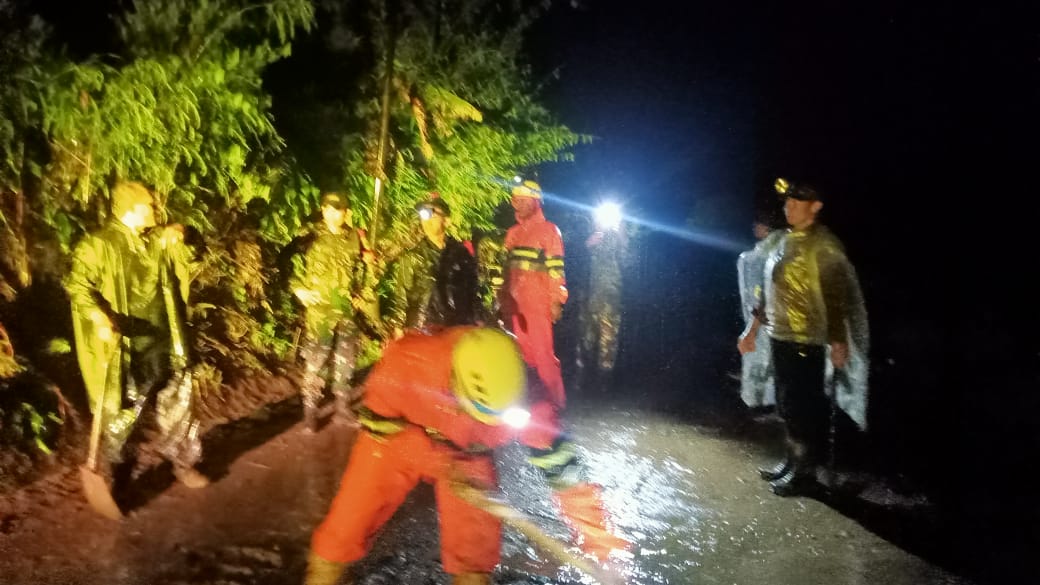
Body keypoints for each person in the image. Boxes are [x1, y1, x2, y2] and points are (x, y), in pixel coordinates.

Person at [302, 326, 629, 585]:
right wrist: (441, 464)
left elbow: (567, 476)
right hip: (396, 441)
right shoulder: (408, 362)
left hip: (471, 453)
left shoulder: (531, 399)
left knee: (475, 559)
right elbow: (377, 424)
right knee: (342, 535)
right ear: (455, 384)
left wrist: (604, 548)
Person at [64, 180, 207, 491]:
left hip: (168, 340)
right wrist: (98, 317)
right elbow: (78, 286)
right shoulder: (98, 245)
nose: (156, 210)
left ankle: (184, 464)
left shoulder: (159, 240)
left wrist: (183, 231)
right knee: (122, 419)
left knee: (179, 405)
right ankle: (120, 479)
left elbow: (195, 254)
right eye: (150, 206)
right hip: (128, 350)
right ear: (131, 209)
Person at [737, 178, 869, 497]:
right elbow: (766, 290)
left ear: (816, 207)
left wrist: (838, 341)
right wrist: (752, 330)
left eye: (797, 203)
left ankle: (805, 473)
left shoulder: (824, 245)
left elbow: (836, 299)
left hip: (806, 340)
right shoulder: (783, 241)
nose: (789, 207)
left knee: (802, 408)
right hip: (780, 335)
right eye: (787, 202)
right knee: (786, 405)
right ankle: (791, 462)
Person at [288, 192, 366, 431]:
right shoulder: (309, 236)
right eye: (329, 209)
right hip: (320, 312)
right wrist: (299, 289)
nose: (333, 214)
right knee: (316, 362)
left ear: (346, 212)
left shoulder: (354, 238)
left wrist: (361, 293)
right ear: (322, 210)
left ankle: (342, 408)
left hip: (345, 311)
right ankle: (310, 414)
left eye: (338, 209)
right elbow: (288, 264)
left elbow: (363, 268)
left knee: (346, 361)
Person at [500, 180, 569, 408]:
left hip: (538, 303)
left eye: (522, 200)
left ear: (536, 201)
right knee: (521, 354)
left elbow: (556, 270)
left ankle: (554, 403)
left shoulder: (550, 231)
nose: (517, 205)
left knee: (543, 355)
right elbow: (505, 269)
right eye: (515, 201)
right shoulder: (512, 233)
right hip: (515, 305)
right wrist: (501, 298)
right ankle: (530, 402)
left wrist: (557, 300)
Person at [385, 193, 479, 337]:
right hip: (422, 330)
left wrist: (477, 320)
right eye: (423, 215)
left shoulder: (461, 254)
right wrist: (398, 327)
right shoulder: (413, 256)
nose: (426, 220)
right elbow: (401, 296)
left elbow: (472, 291)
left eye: (432, 213)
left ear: (446, 221)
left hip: (456, 330)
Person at [577, 206, 628, 391]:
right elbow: (573, 262)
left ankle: (603, 384)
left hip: (610, 298)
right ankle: (582, 379)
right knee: (585, 339)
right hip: (587, 297)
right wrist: (586, 245)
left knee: (608, 340)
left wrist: (622, 237)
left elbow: (628, 262)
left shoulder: (618, 238)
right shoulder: (586, 235)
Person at [736, 217, 782, 410]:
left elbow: (762, 296)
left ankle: (760, 403)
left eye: (759, 223)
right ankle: (767, 403)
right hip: (772, 322)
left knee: (762, 361)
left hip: (767, 322)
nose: (754, 227)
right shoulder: (776, 251)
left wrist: (752, 328)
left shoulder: (764, 257)